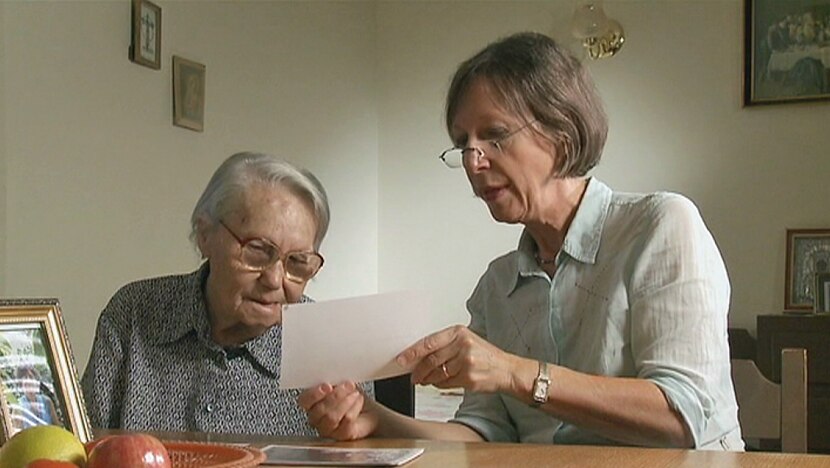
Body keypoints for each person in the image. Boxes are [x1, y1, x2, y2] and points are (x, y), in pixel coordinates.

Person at [300, 32, 743, 450]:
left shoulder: (661, 226)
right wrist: (376, 420)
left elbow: (682, 417)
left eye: (494, 135)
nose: (474, 161)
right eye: (462, 143)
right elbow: (481, 438)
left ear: (561, 132)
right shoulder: (497, 285)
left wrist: (513, 372)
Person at [81, 151, 372, 435]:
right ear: (205, 235)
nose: (274, 280)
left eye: (297, 262)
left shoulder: (333, 346)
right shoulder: (135, 312)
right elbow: (81, 446)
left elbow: (379, 451)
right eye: (257, 250)